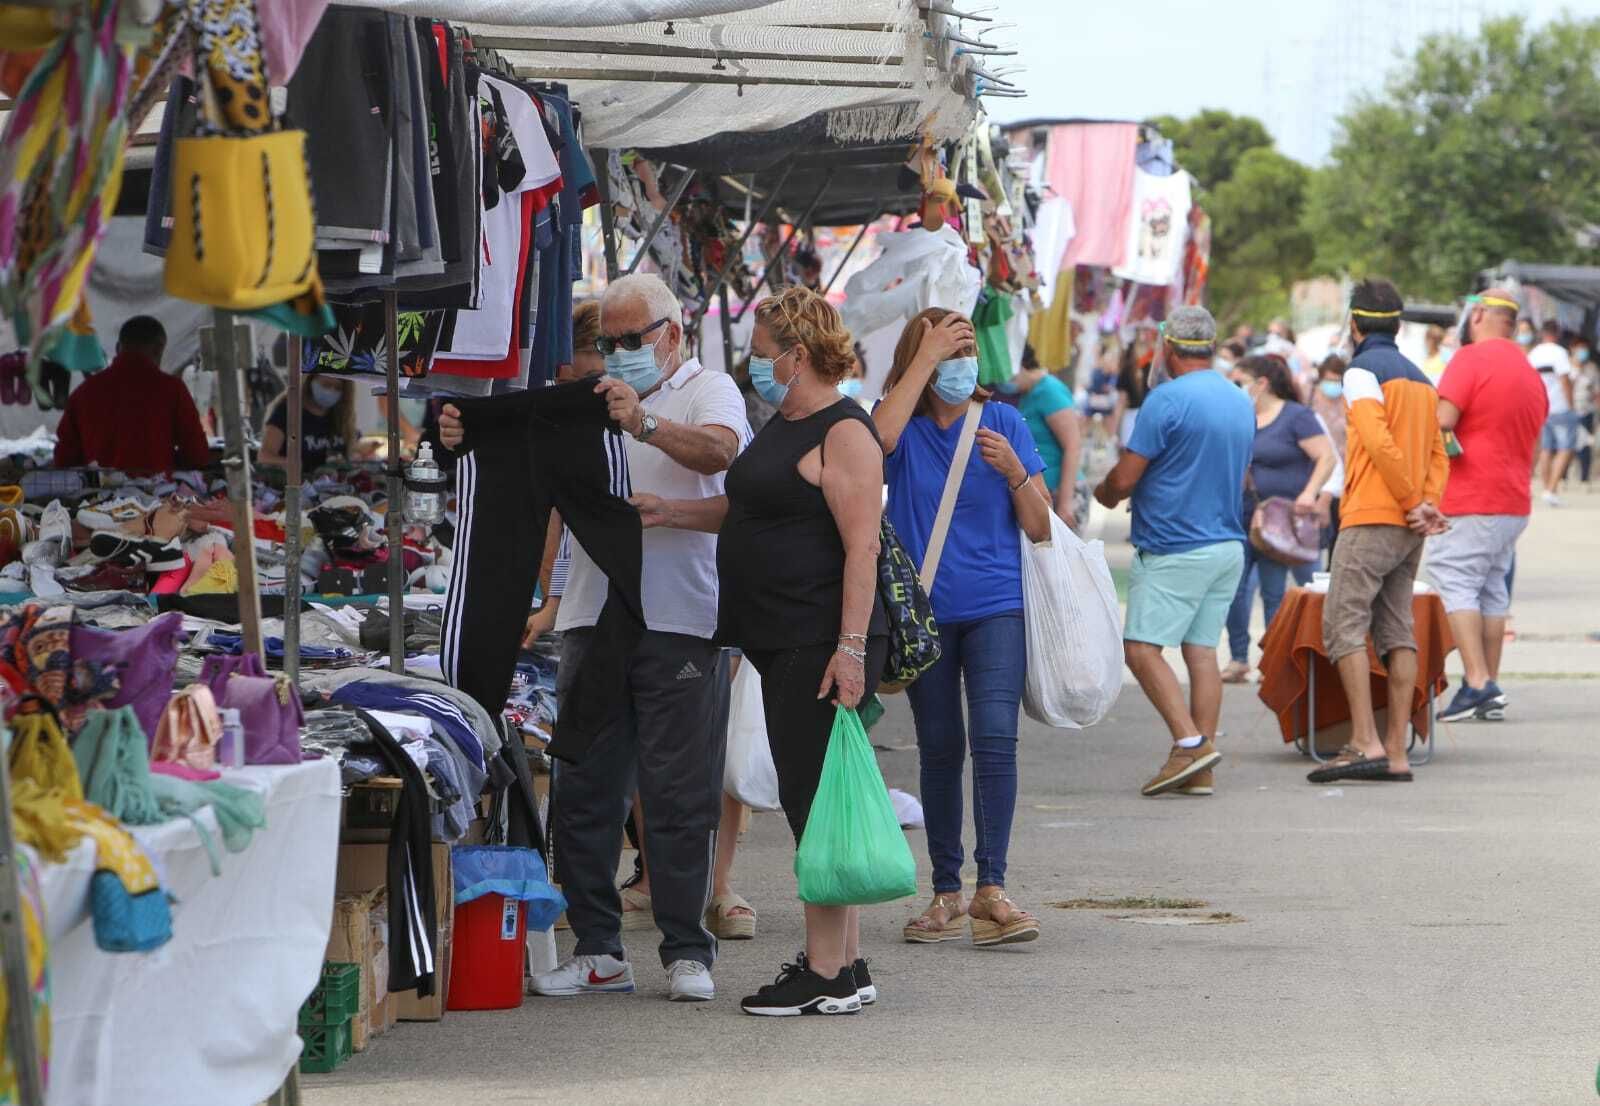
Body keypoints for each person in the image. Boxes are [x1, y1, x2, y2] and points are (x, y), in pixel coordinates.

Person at [443, 272, 750, 1004]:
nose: (615, 354)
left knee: (679, 793)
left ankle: (685, 948)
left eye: (628, 340)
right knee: (584, 789)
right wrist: (463, 434)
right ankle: (599, 947)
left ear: (672, 334)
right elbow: (543, 485)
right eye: (605, 342)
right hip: (589, 615)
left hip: (680, 619)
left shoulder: (709, 389)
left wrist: (642, 425)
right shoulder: (584, 399)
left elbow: (720, 453)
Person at [632, 285, 887, 1016]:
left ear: (798, 355)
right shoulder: (787, 422)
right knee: (819, 800)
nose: (756, 365)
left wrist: (849, 649)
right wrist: (672, 512)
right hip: (777, 640)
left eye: (763, 352)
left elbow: (861, 544)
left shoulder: (843, 431)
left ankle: (826, 971)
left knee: (812, 805)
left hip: (813, 642)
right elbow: (749, 509)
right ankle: (847, 962)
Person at [875, 307, 1051, 949]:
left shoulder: (1001, 420)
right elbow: (876, 442)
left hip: (996, 607)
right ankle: (945, 890)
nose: (960, 365)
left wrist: (1014, 471)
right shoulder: (903, 424)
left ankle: (992, 889)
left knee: (996, 738)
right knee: (941, 747)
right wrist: (922, 361)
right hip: (924, 616)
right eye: (948, 353)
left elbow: (1039, 524)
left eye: (966, 351)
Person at [1094, 306, 1253, 796]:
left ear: (1167, 347)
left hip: (1174, 545)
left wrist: (1104, 495)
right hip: (1226, 545)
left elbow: (1124, 477)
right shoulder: (1238, 398)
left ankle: (1191, 744)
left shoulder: (1165, 399)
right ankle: (1198, 768)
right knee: (1202, 651)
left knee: (1140, 649)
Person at [1307, 280, 1448, 785]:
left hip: (1371, 515)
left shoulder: (1360, 370)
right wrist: (1426, 505)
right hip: (1411, 526)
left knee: (1342, 625)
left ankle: (1363, 741)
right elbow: (1438, 451)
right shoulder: (1421, 379)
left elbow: (1376, 440)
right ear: (1400, 324)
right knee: (1396, 630)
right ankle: (1395, 753)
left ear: (1354, 324)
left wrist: (1411, 503)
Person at [1428, 290, 1547, 722]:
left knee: (1454, 580)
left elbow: (1441, 421)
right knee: (1493, 590)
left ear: (1477, 315)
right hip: (1513, 500)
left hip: (1470, 497)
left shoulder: (1470, 360)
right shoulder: (1528, 371)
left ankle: (1477, 682)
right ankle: (1490, 688)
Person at [1221, 355, 1336, 683]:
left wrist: (1309, 493)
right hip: (1240, 515)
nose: (1234, 386)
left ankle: (1273, 659)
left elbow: (1326, 457)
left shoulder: (1296, 416)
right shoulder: (1239, 415)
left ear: (1261, 383)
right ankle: (1238, 657)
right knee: (1234, 589)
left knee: (1274, 591)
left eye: (1239, 380)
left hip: (1281, 522)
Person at [53, 316, 210, 474]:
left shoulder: (83, 393)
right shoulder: (172, 390)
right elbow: (197, 455)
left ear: (118, 348)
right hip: (157, 494)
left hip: (96, 495)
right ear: (158, 349)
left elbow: (64, 459)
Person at [1002, 346, 1084, 527]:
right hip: (1038, 492)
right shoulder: (1026, 393)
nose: (1005, 382)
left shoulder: (1049, 391)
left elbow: (1073, 446)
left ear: (1021, 365)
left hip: (1059, 491)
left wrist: (1064, 502)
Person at [1528, 320, 1579, 505]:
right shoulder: (1559, 353)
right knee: (1566, 447)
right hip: (1560, 406)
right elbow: (1565, 379)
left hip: (1540, 407)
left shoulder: (1534, 353)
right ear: (1557, 334)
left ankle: (1548, 488)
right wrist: (1571, 404)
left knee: (1546, 449)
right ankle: (1551, 489)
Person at [260, 376, 355, 471]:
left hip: (334, 483)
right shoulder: (287, 411)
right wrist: (295, 464)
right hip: (298, 483)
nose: (331, 390)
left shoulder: (342, 415)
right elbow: (264, 457)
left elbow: (349, 453)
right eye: (326, 385)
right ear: (311, 381)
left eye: (338, 388)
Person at [1309, 354, 1351, 559]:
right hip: (1319, 470)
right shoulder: (1309, 397)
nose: (1333, 385)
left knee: (1340, 526)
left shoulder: (1348, 401)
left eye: (1337, 381)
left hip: (1346, 471)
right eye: (1330, 380)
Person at [1112, 325, 1156, 449]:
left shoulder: (1152, 367)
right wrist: (1114, 430)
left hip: (1148, 416)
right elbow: (1121, 402)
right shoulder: (1127, 371)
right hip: (1133, 416)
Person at [1574, 335, 1597, 484]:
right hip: (1570, 410)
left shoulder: (1592, 368)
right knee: (1569, 445)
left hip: (1587, 410)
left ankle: (1584, 477)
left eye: (1585, 348)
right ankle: (1563, 476)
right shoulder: (1567, 365)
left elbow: (1597, 391)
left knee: (1586, 446)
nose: (1582, 351)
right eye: (1579, 348)